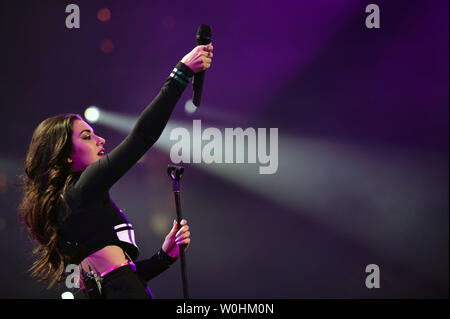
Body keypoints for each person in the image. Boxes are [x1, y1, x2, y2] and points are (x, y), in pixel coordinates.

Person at [18, 43, 214, 299]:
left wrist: (163, 257)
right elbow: (141, 137)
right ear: (65, 155)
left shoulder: (69, 204)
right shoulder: (81, 189)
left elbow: (120, 279)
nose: (100, 140)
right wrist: (181, 73)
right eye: (87, 136)